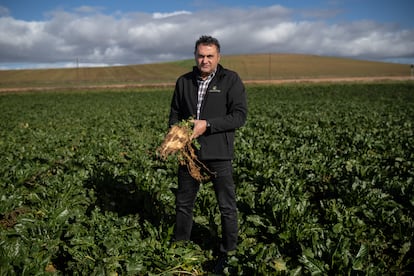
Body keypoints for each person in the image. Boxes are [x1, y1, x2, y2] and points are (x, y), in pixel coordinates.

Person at [168, 35, 247, 273]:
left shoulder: (230, 80)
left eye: (209, 56)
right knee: (183, 203)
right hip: (189, 154)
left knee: (226, 206)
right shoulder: (183, 81)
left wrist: (208, 125)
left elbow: (239, 116)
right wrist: (175, 135)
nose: (205, 60)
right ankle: (180, 246)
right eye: (201, 55)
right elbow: (175, 112)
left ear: (218, 57)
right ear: (195, 56)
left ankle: (228, 253)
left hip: (219, 153)